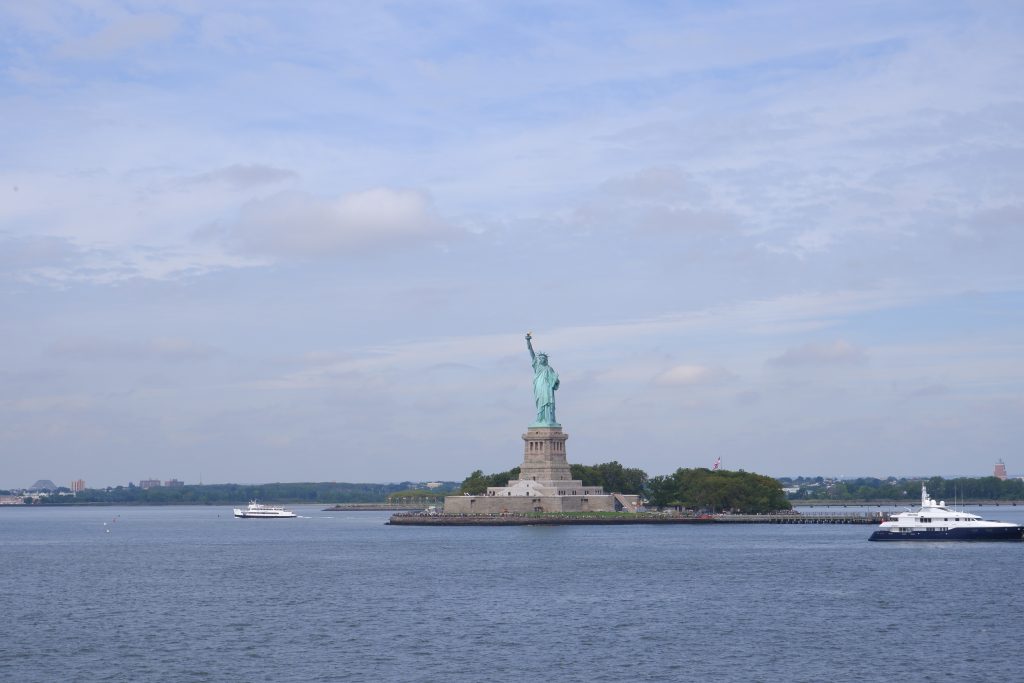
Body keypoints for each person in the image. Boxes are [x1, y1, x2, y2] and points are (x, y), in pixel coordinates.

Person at [526, 332, 559, 426]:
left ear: (546, 359)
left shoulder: (549, 368)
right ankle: (540, 419)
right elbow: (531, 353)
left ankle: (549, 420)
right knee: (540, 403)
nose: (541, 360)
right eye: (539, 358)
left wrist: (556, 380)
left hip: (547, 389)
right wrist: (528, 341)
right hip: (539, 388)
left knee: (548, 403)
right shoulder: (537, 366)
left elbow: (555, 381)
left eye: (543, 358)